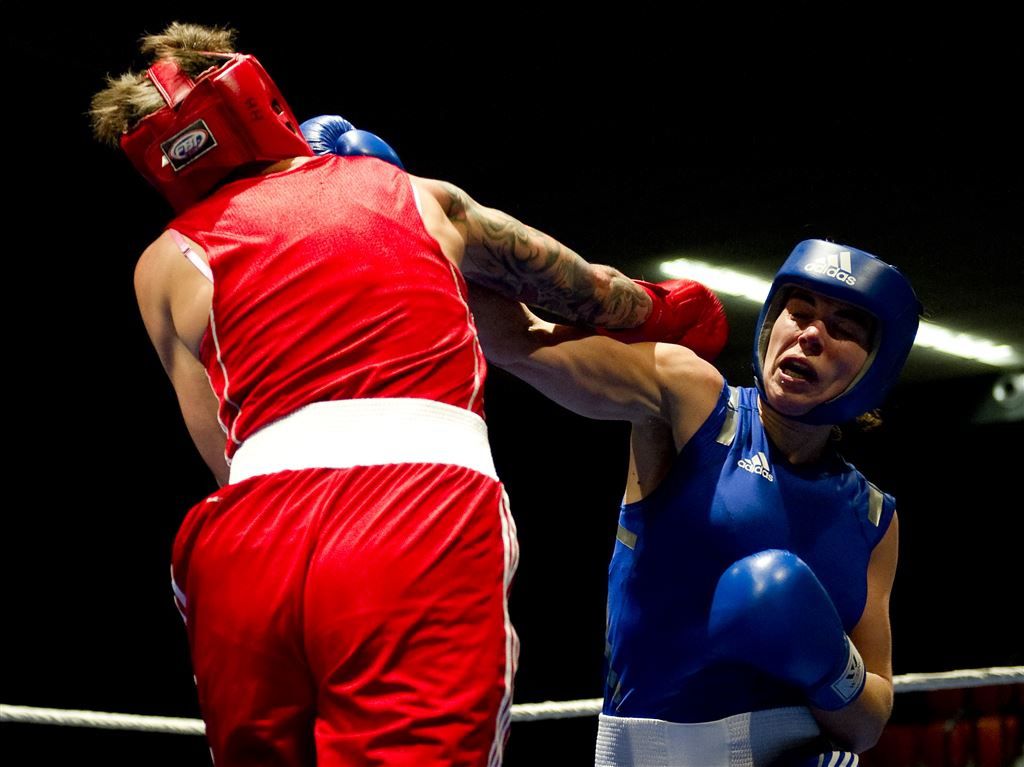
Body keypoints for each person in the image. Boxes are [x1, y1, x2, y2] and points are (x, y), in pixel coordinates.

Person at [89, 22, 729, 767]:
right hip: (411, 515)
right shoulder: (412, 195)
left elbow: (225, 456)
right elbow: (588, 293)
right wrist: (669, 309)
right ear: (255, 95)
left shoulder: (159, 266)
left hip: (241, 543)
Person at [469, 239, 922, 766]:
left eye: (842, 328)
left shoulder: (871, 515)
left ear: (877, 368)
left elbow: (868, 724)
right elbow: (517, 341)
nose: (811, 333)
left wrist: (829, 667)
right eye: (798, 313)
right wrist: (434, 232)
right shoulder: (694, 402)